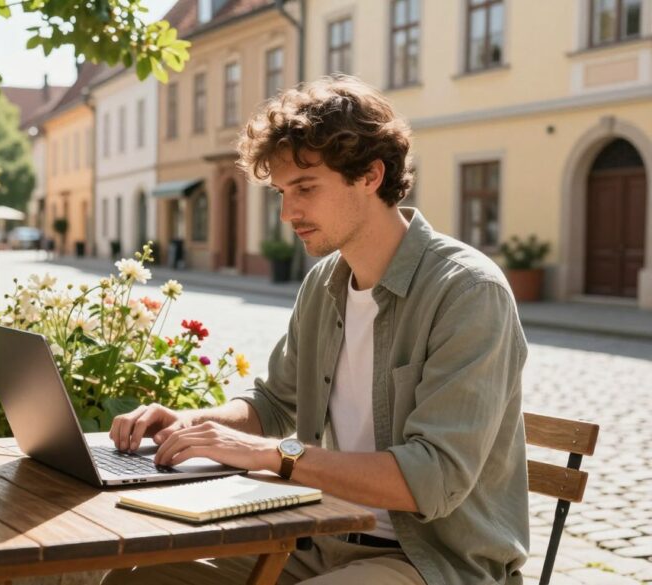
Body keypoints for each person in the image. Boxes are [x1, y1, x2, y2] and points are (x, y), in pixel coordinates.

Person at [103, 75, 529, 585]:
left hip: (431, 562)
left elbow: (432, 478)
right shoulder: (325, 282)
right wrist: (192, 424)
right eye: (283, 192)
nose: (287, 213)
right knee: (138, 578)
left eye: (305, 188)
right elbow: (273, 404)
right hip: (316, 537)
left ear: (371, 176)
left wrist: (273, 455)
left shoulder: (467, 292)